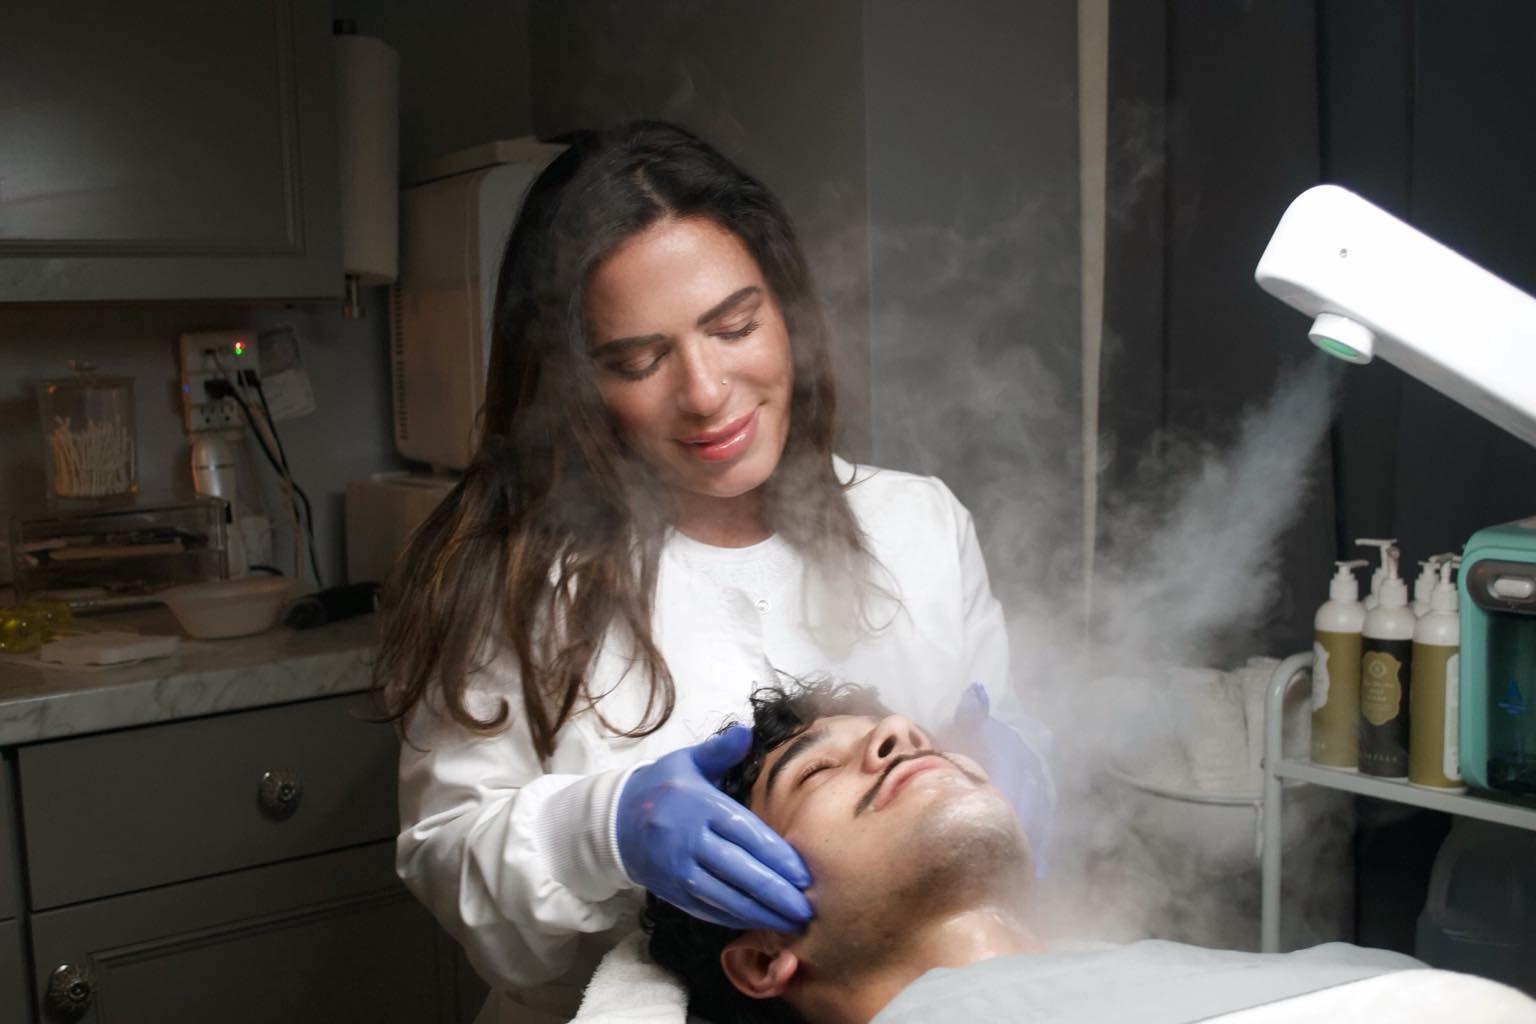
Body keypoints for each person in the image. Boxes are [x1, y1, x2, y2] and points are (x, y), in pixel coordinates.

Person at [375, 120, 1054, 1023]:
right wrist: (603, 833)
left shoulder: (917, 525)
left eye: (734, 326)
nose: (703, 392)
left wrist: (1022, 774)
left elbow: (994, 726)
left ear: (788, 314)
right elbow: (451, 863)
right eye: (639, 360)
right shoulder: (514, 580)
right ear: (577, 381)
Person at [641, 680, 1536, 1024]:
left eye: (896, 728)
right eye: (816, 771)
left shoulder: (1281, 973)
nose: (900, 737)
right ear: (764, 957)